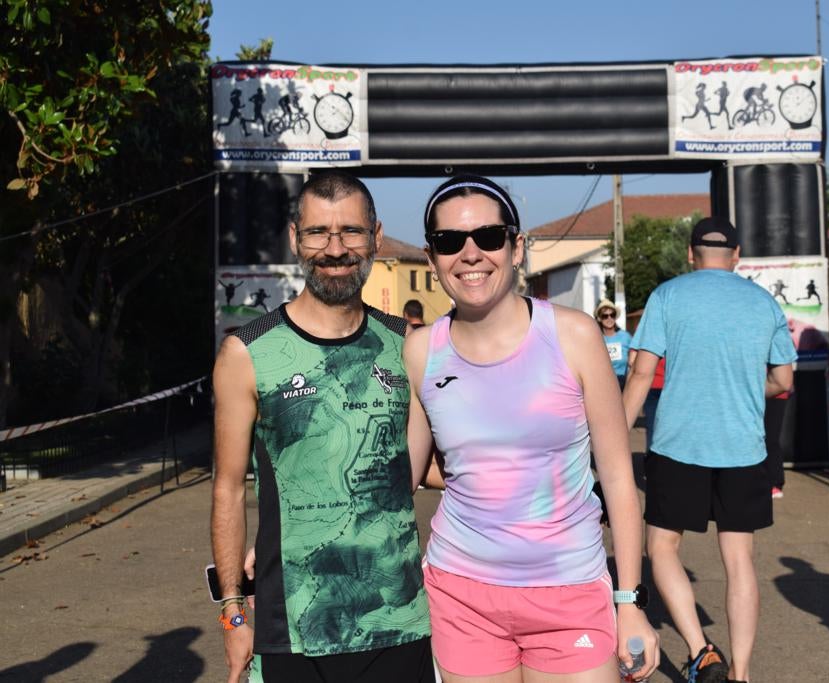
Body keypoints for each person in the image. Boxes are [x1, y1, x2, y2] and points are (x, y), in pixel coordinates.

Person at [404, 174, 658, 682]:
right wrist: (292, 533)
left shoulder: (574, 336)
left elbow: (618, 481)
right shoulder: (421, 351)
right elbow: (401, 478)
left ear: (517, 248)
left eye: (489, 237)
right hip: (461, 593)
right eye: (449, 242)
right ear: (433, 261)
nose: (470, 253)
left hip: (569, 592)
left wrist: (629, 600)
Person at [210, 171, 432, 683]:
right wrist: (232, 613)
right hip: (292, 630)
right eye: (318, 233)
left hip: (399, 624)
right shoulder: (248, 354)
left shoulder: (408, 346)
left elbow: (432, 464)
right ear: (295, 238)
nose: (335, 249)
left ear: (375, 237)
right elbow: (226, 489)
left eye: (351, 232)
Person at [622, 216, 796, 683]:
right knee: (739, 560)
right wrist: (740, 389)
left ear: (690, 255)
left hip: (678, 443)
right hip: (743, 448)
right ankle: (740, 674)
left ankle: (702, 652)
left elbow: (640, 373)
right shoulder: (764, 303)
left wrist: (615, 438)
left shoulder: (668, 296)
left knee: (661, 547)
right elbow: (783, 380)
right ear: (736, 256)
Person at [595, 299, 632, 390]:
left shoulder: (626, 337)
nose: (609, 318)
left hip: (623, 383)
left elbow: (633, 362)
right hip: (602, 383)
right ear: (599, 318)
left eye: (612, 315)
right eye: (605, 316)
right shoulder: (596, 339)